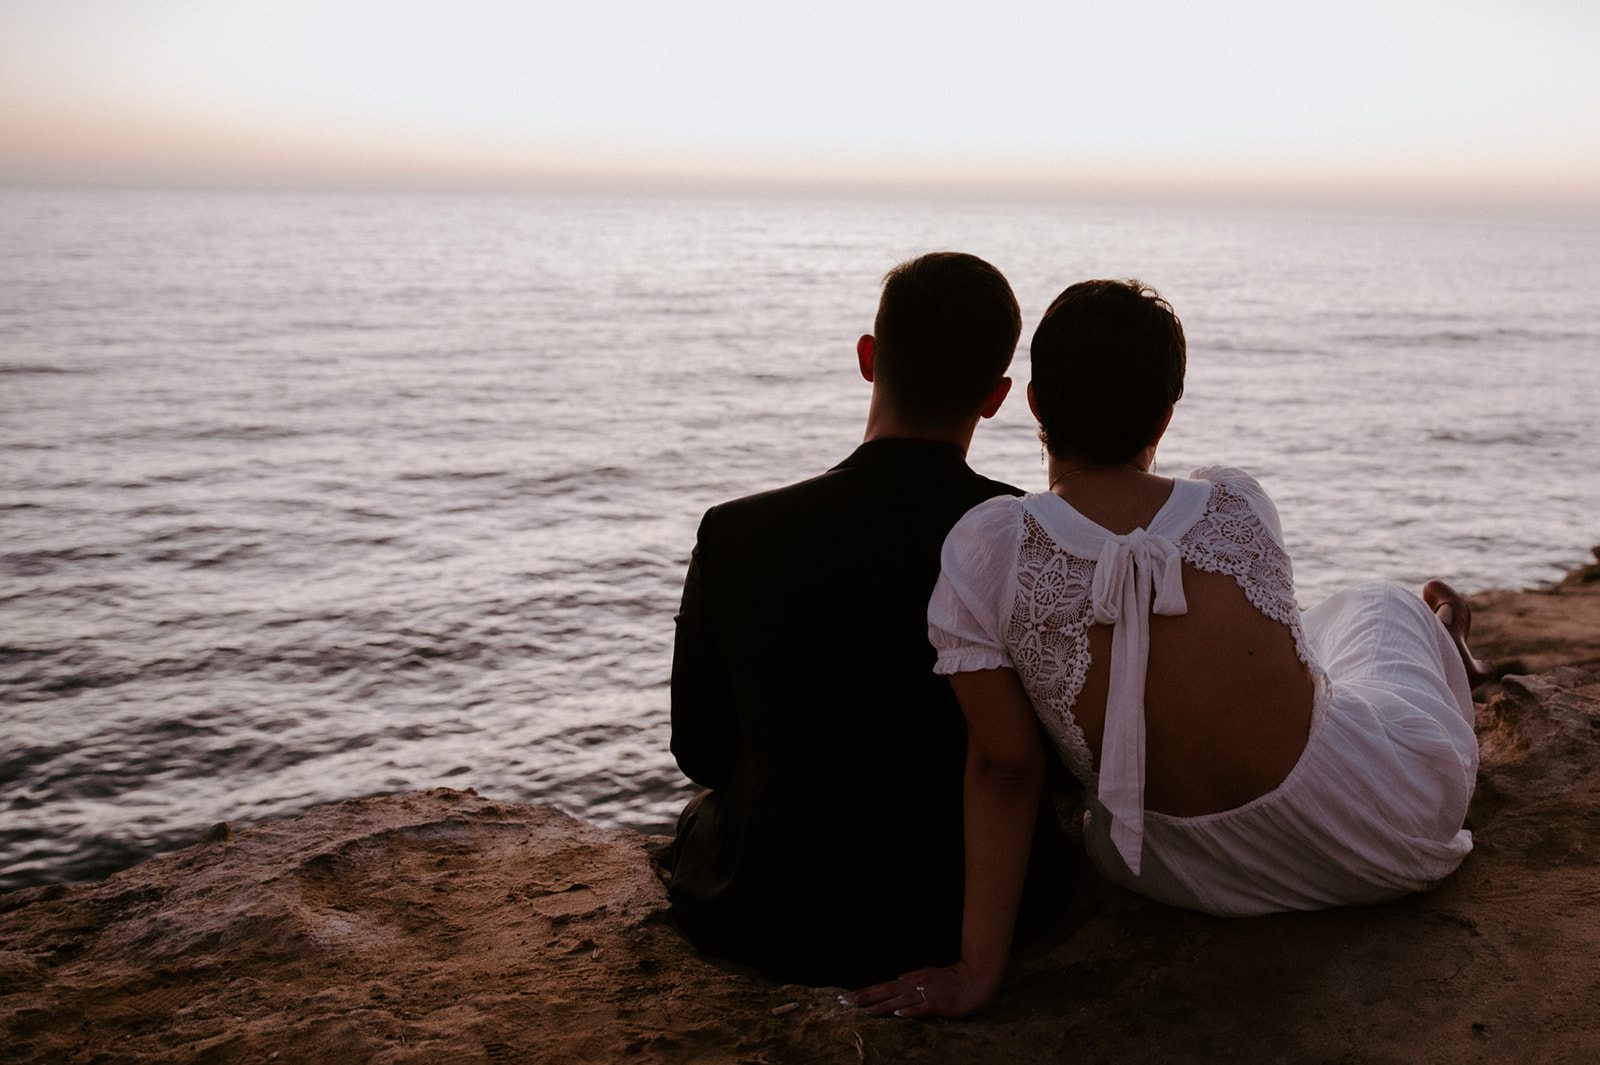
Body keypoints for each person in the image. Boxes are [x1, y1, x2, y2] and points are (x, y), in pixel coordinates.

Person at [846, 279, 1490, 1018]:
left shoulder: (989, 547)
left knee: (1324, 634)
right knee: (1379, 604)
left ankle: (1436, 643)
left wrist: (974, 969)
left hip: (1173, 869)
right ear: (1165, 413)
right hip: (1369, 834)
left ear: (1034, 403)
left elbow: (1005, 767)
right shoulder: (1235, 501)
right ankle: (1446, 635)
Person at [666, 252, 1072, 988]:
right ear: (996, 397)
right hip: (972, 911)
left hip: (773, 916)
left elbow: (701, 751)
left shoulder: (735, 532)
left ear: (868, 357)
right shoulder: (1035, 536)